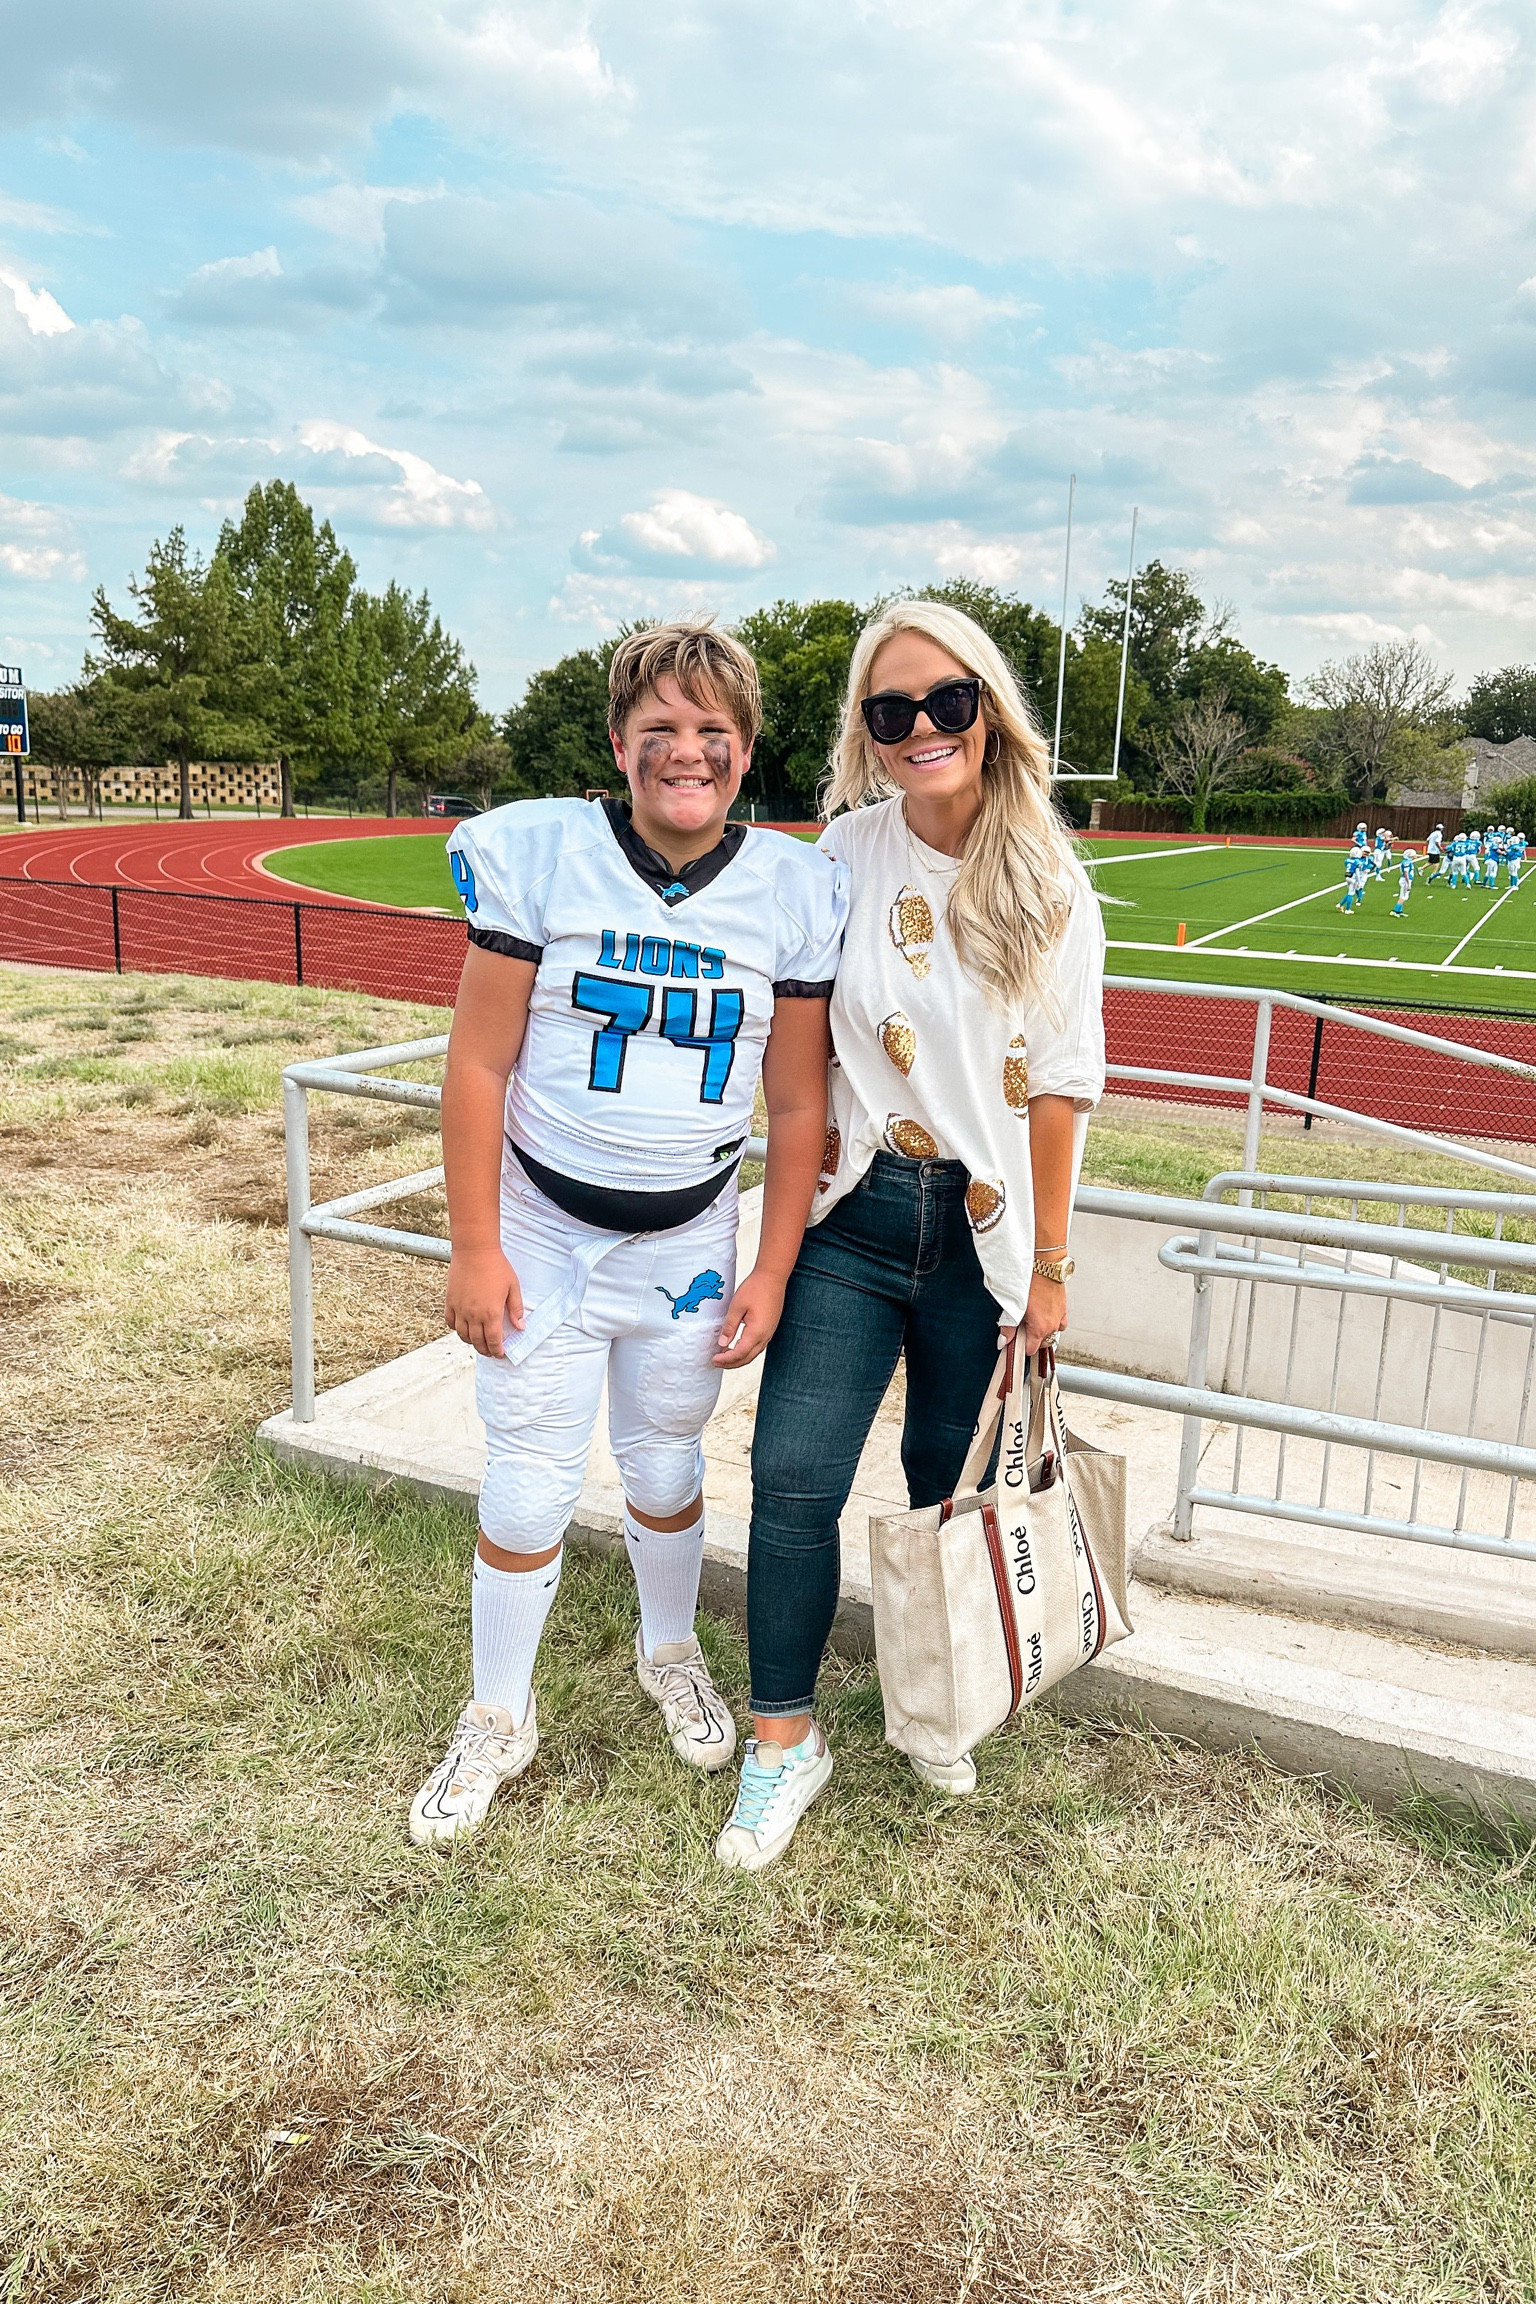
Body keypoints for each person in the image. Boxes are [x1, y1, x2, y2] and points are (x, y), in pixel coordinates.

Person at [409, 621, 849, 1847]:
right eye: (659, 728)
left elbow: (800, 1099)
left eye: (712, 731)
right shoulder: (540, 856)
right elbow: (480, 1058)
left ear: (746, 752)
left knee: (663, 1465)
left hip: (687, 1242)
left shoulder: (791, 888)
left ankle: (669, 1650)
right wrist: (475, 1243)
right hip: (545, 1233)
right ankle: (499, 1712)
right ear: (618, 744)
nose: (686, 753)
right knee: (530, 1481)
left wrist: (771, 1263)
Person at [714, 599, 1105, 1873]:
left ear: (988, 711)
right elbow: (797, 1050)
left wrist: (1048, 1269)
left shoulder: (1046, 874)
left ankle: (933, 1706)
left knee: (948, 1495)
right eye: (893, 712)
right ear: (867, 734)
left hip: (985, 1242)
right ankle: (784, 1739)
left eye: (948, 702)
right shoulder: (840, 854)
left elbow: (1060, 1085)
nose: (923, 728)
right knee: (793, 1479)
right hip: (854, 1217)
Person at [1392, 847, 1417, 918]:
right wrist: (1408, 883)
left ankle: (1399, 911)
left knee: (1403, 896)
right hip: (1405, 880)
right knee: (1403, 897)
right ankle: (1395, 911)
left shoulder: (1407, 861)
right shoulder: (1407, 862)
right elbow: (1406, 873)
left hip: (1406, 880)